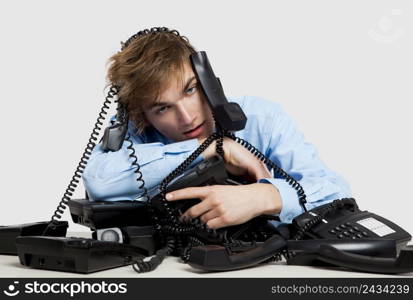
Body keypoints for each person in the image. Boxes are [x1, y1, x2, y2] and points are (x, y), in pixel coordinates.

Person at [82, 27, 351, 230]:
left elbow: (338, 192)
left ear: (208, 80)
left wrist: (263, 196)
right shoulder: (136, 133)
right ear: (143, 115)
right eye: (162, 108)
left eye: (190, 90)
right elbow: (98, 182)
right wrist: (211, 148)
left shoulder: (262, 118)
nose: (186, 118)